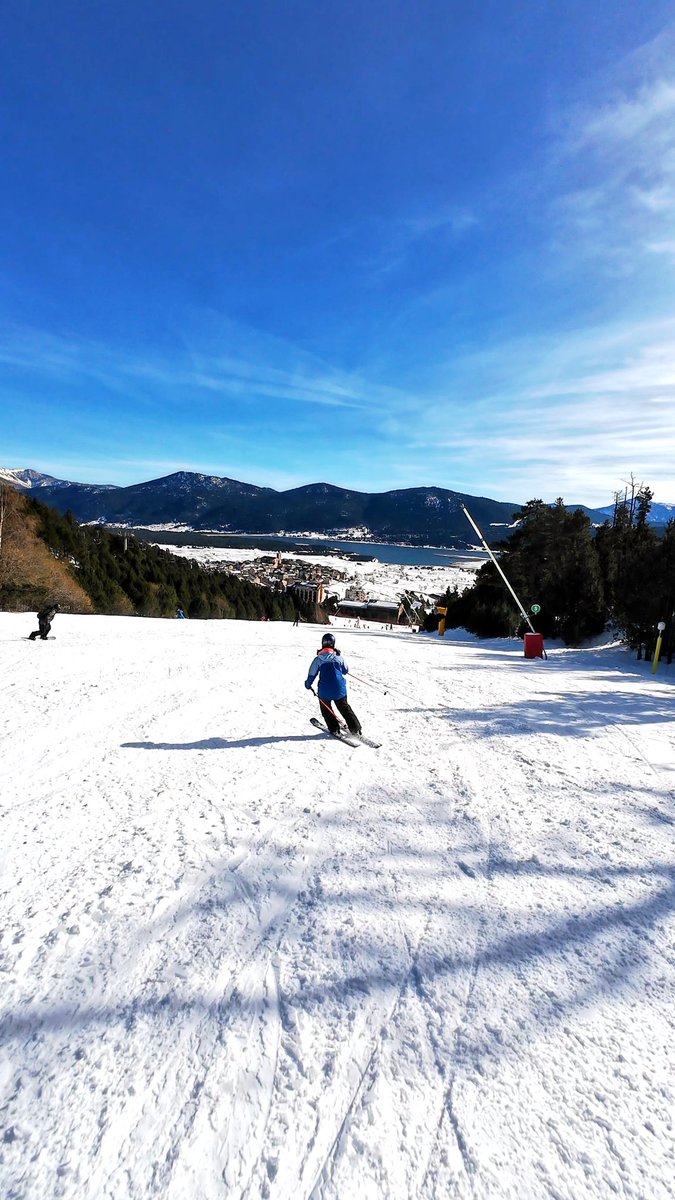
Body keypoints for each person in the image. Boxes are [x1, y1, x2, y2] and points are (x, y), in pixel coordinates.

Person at [305, 631, 362, 736]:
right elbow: (345, 670)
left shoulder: (318, 659)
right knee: (344, 708)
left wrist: (308, 685)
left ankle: (334, 728)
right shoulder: (338, 657)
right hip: (340, 690)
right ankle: (355, 729)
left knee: (326, 709)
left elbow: (311, 675)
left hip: (324, 692)